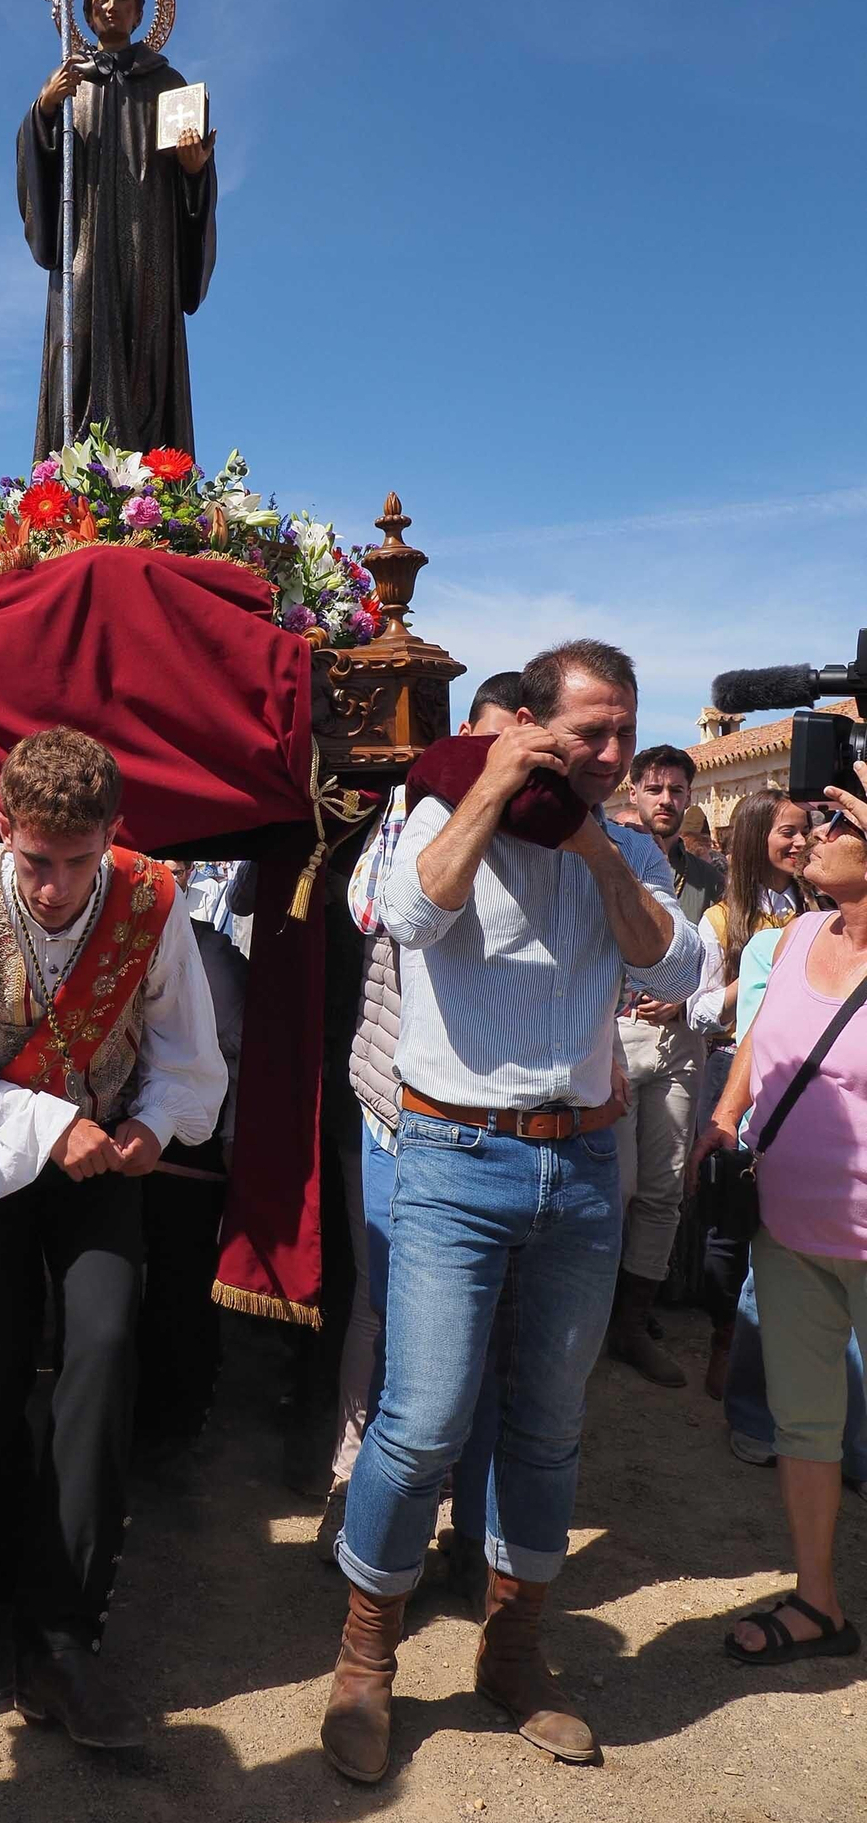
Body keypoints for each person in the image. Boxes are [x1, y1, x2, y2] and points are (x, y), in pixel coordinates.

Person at [321, 640, 698, 1785]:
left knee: (545, 1424)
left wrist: (593, 849)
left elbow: (671, 969)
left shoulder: (624, 844)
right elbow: (403, 917)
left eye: (625, 731)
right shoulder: (437, 811)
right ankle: (364, 1659)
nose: (614, 754)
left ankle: (514, 1651)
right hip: (450, 1154)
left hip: (581, 1165)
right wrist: (488, 784)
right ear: (529, 726)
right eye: (590, 732)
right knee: (423, 1422)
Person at [0, 728, 226, 1748]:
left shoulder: (151, 900)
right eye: (36, 861)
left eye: (81, 862)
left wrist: (147, 1128)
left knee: (103, 1356)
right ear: (2, 830)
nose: (55, 887)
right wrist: (49, 1128)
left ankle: (66, 1627)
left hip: (101, 1168)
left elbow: (187, 1054)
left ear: (114, 836)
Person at [325, 672, 523, 1591]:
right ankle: (352, 1478)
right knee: (384, 1298)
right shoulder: (413, 812)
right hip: (393, 1101)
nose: (484, 770)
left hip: (489, 1122)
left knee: (483, 1325)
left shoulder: (553, 837)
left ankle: (468, 1522)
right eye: (473, 749)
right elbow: (380, 911)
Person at [687, 763, 867, 1666]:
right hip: (790, 1236)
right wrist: (724, 1117)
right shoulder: (798, 936)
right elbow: (762, 1037)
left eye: (841, 819)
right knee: (805, 1424)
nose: (816, 832)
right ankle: (817, 1603)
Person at [19, 0, 217, 462]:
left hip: (149, 240)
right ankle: (75, 480)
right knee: (79, 343)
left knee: (146, 350)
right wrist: (43, 111)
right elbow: (36, 162)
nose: (111, 6)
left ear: (139, 11)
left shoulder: (168, 85)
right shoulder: (69, 81)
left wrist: (194, 172)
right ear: (86, 12)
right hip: (84, 240)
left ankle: (154, 488)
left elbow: (191, 176)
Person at [689, 788, 814, 1398]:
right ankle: (724, 1336)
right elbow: (699, 1008)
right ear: (754, 836)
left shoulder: (822, 907)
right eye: (786, 830)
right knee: (733, 1218)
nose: (799, 841)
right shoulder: (724, 918)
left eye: (805, 830)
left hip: (806, 1081)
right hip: (735, 1072)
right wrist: (765, 974)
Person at [609, 745, 724, 1387]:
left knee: (663, 1188)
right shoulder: (608, 847)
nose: (666, 801)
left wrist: (690, 998)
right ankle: (593, 1315)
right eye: (654, 789)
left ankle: (631, 1324)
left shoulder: (707, 877)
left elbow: (717, 954)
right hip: (617, 1033)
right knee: (615, 1185)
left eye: (677, 791)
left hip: (681, 1038)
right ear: (634, 788)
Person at [135, 861, 249, 1461]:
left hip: (188, 1148)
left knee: (181, 1281)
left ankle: (175, 1420)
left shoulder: (213, 956)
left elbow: (241, 1051)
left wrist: (229, 1135)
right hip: (115, 1140)